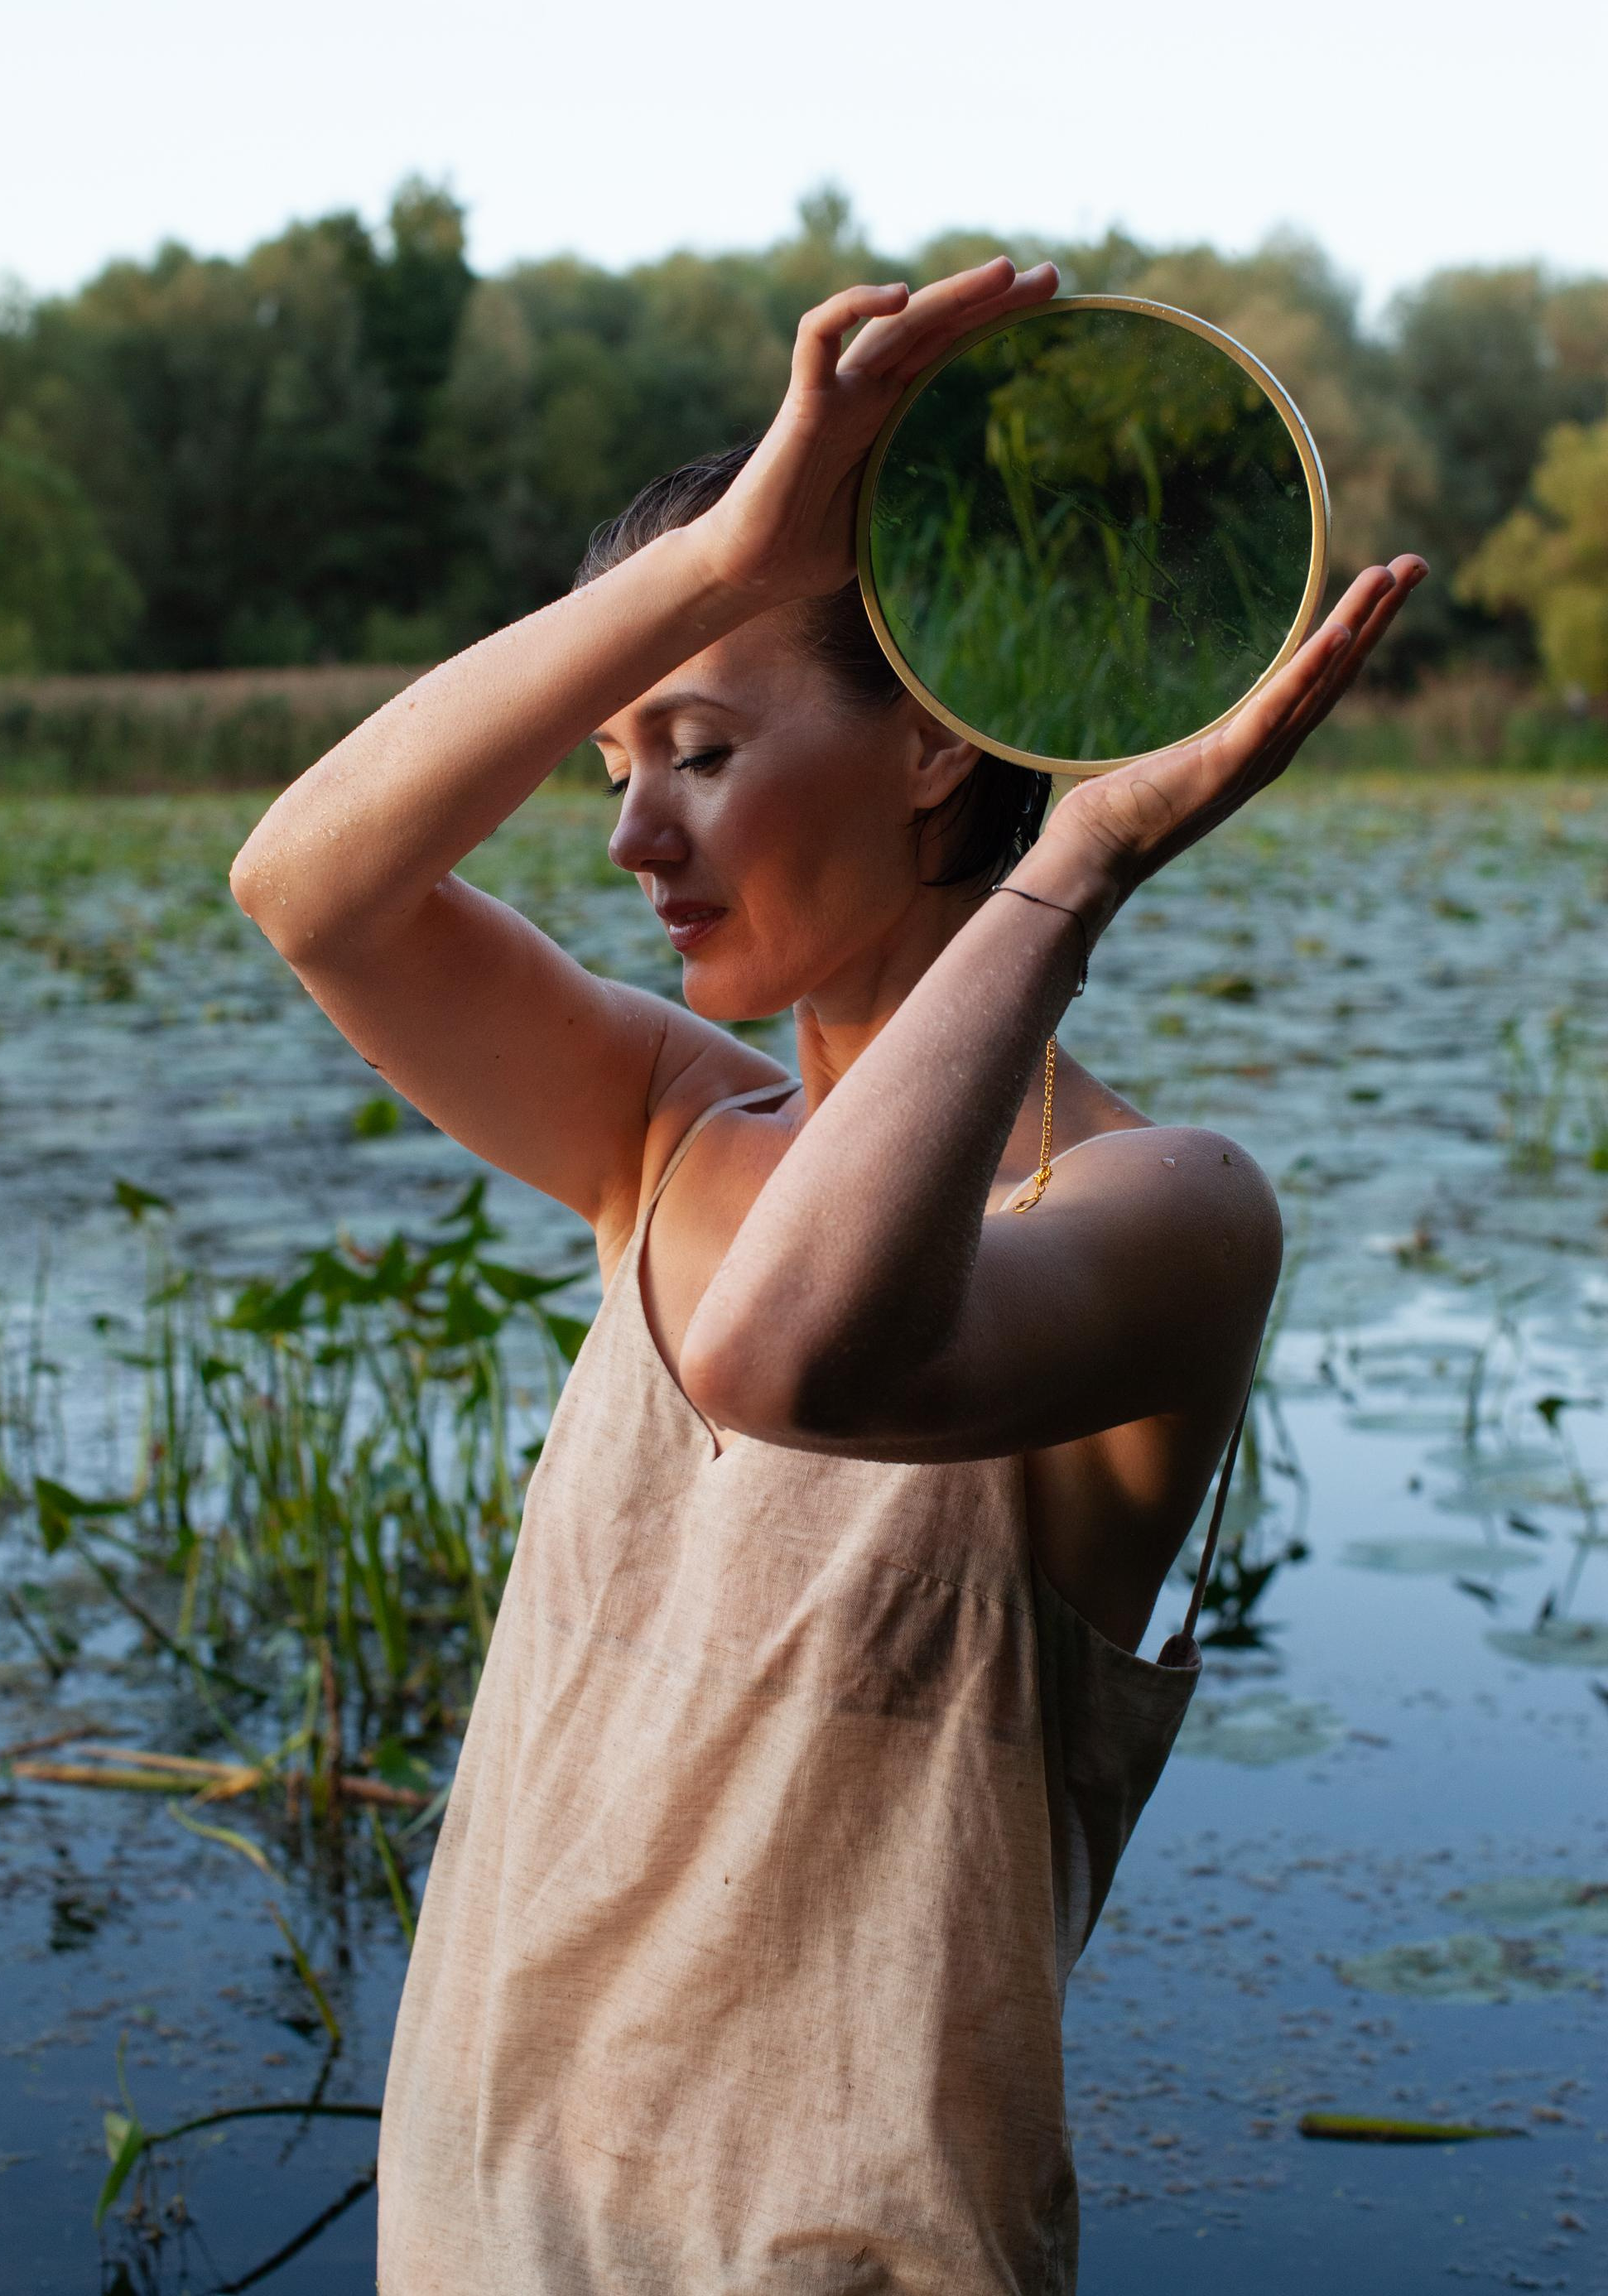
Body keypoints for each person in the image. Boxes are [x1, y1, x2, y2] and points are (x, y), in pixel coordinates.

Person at [229, 255, 1427, 2294]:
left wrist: (1077, 868)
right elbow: (308, 882)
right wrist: (711, 569)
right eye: (613, 762)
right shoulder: (660, 1128)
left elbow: (804, 1351)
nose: (629, 838)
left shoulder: (1163, 1219)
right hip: (476, 2235)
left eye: (693, 748)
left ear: (938, 752)